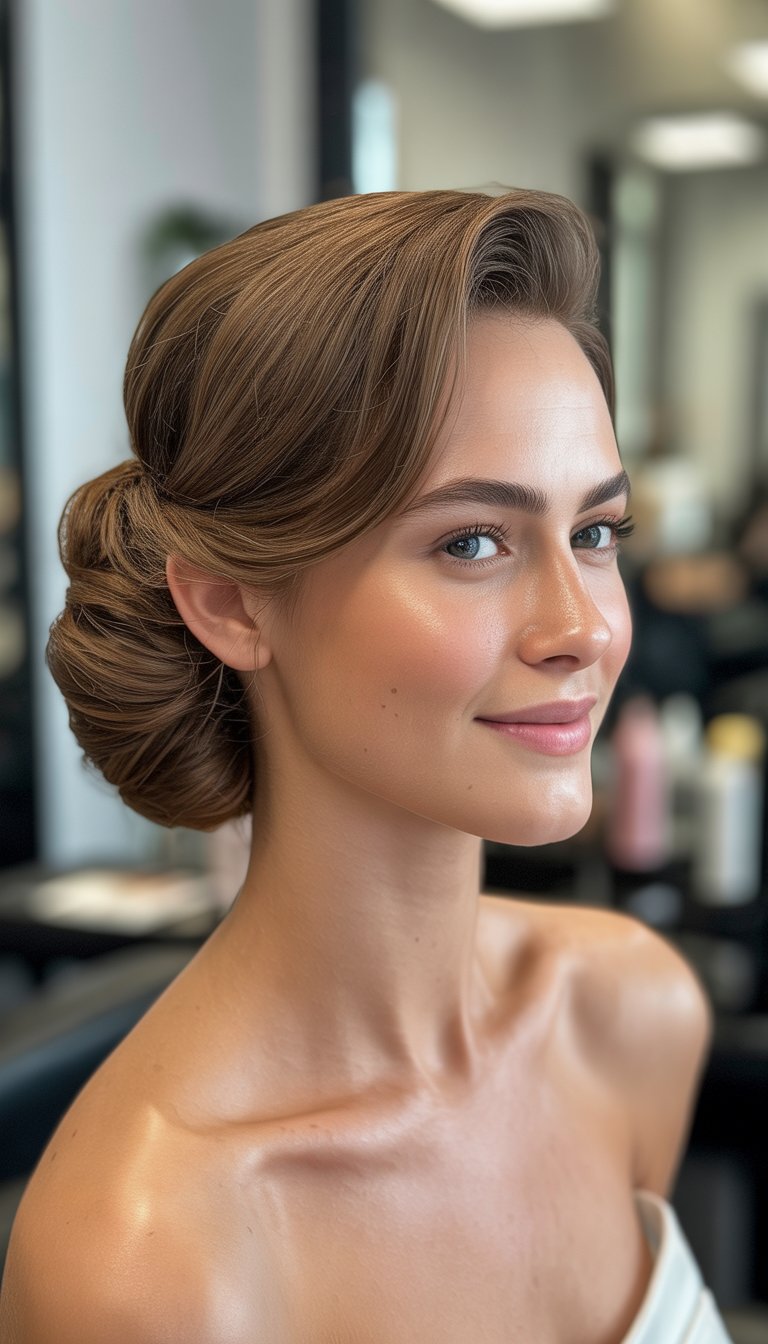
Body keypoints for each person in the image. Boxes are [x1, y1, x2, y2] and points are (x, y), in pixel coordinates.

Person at [0, 189, 725, 1342]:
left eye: (593, 533)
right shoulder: (149, 1264)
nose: (582, 626)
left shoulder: (629, 1016)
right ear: (234, 605)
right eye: (473, 542)